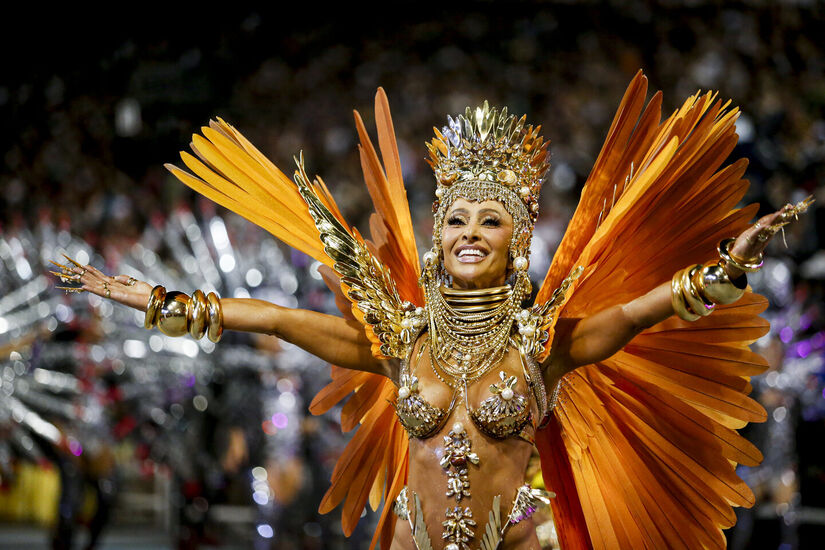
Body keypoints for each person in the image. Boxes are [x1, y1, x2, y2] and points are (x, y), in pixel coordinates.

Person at [54, 72, 811, 549]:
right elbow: (279, 321)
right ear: (435, 236)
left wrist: (729, 265)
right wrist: (161, 302)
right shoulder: (400, 341)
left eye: (489, 220)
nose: (469, 234)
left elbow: (648, 309)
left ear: (516, 239)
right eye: (454, 219)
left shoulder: (544, 341)